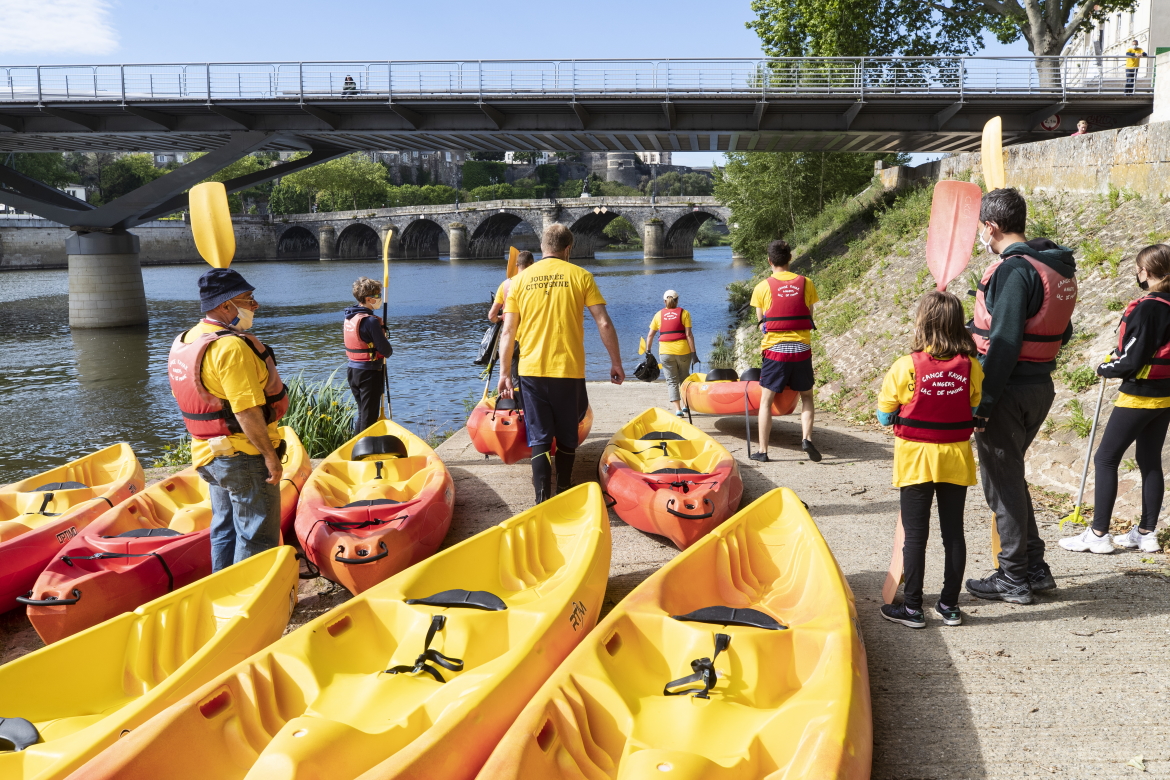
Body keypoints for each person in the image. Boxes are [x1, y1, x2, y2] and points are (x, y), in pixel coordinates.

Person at [965, 188, 1078, 605]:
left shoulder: (1014, 271)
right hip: (1039, 386)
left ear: (990, 226)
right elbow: (1061, 330)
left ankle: (1013, 576)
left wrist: (985, 402)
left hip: (1008, 391)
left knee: (1000, 483)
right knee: (1010, 478)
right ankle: (1034, 566)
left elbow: (1007, 340)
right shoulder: (1055, 266)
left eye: (981, 226)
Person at [167, 268, 288, 572]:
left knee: (224, 528)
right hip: (242, 455)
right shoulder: (231, 347)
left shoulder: (186, 339)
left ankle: (223, 587)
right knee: (256, 535)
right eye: (247, 299)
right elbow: (245, 411)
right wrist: (270, 457)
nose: (255, 305)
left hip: (208, 454)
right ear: (225, 306)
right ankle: (250, 601)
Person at [877, 292, 983, 629]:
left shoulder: (905, 366)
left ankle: (912, 609)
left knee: (915, 535)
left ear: (922, 322)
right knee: (953, 534)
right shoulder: (971, 365)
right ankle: (949, 606)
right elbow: (975, 407)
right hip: (955, 458)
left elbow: (884, 416)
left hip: (915, 460)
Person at [498, 224, 624, 502]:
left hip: (531, 372)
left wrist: (505, 372)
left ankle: (542, 499)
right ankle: (565, 490)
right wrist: (616, 362)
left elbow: (507, 331)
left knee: (539, 438)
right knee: (568, 435)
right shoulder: (581, 276)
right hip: (568, 371)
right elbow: (603, 321)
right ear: (568, 249)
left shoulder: (517, 281)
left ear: (543, 247)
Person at [1061, 244, 1170, 555]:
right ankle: (1146, 533)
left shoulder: (1149, 307)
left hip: (1140, 396)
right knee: (1149, 460)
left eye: (1139, 269)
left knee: (1105, 458)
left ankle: (1098, 533)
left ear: (1146, 272)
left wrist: (1105, 366)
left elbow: (1131, 361)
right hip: (1166, 395)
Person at [749, 239, 820, 463]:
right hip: (801, 350)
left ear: (769, 261)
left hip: (775, 352)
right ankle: (806, 438)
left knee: (766, 402)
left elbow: (762, 324)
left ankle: (763, 450)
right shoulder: (806, 283)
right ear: (790, 258)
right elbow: (810, 315)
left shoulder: (761, 287)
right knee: (807, 397)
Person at [343, 276, 394, 433]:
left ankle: (357, 447)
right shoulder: (371, 321)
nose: (379, 299)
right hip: (369, 373)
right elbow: (387, 351)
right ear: (368, 299)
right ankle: (362, 451)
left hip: (353, 371)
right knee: (369, 416)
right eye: (377, 296)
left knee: (363, 414)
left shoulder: (350, 317)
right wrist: (383, 335)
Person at [645, 289, 697, 416]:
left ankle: (678, 409)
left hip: (665, 352)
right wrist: (694, 353)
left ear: (664, 301)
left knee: (672, 380)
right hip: (683, 351)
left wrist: (648, 351)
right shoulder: (685, 313)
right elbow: (689, 335)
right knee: (684, 378)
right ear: (677, 300)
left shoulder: (658, 315)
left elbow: (650, 335)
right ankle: (686, 405)